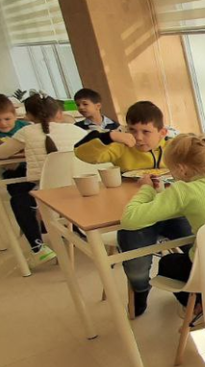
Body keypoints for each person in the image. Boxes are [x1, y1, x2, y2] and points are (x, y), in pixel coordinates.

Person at [120, 134, 205, 311]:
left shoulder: (184, 190)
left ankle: (198, 305)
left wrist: (146, 188)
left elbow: (129, 219)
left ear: (182, 170)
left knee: (167, 263)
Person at [75, 101, 183, 317]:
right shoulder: (122, 147)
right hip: (136, 214)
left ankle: (190, 290)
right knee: (137, 266)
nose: (139, 137)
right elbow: (81, 153)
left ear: (162, 132)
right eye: (132, 130)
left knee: (198, 241)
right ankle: (141, 289)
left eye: (146, 131)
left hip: (172, 210)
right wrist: (110, 137)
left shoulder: (174, 146)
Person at [0, 96, 87, 263]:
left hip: (46, 193)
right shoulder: (76, 130)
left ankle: (37, 246)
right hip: (78, 188)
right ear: (59, 113)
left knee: (20, 196)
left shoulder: (26, 132)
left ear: (28, 116)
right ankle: (75, 230)